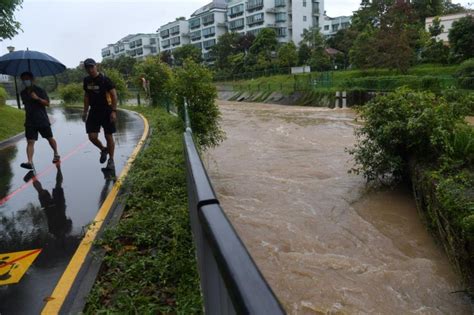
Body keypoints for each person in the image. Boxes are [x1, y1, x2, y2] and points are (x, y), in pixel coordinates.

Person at [82, 58, 118, 170]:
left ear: (96, 66)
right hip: (94, 111)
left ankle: (111, 160)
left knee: (108, 136)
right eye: (88, 68)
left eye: (92, 67)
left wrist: (113, 111)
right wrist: (85, 111)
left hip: (106, 110)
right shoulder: (86, 80)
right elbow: (87, 96)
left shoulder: (105, 79)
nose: (90, 69)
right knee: (92, 136)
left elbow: (114, 95)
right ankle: (103, 149)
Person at [19, 71, 60, 170]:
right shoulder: (23, 93)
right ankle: (29, 162)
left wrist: (37, 98)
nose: (26, 81)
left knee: (49, 138)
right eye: (24, 79)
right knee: (30, 141)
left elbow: (47, 103)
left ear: (32, 79)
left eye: (27, 79)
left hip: (42, 119)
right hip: (30, 121)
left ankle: (56, 153)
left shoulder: (40, 90)